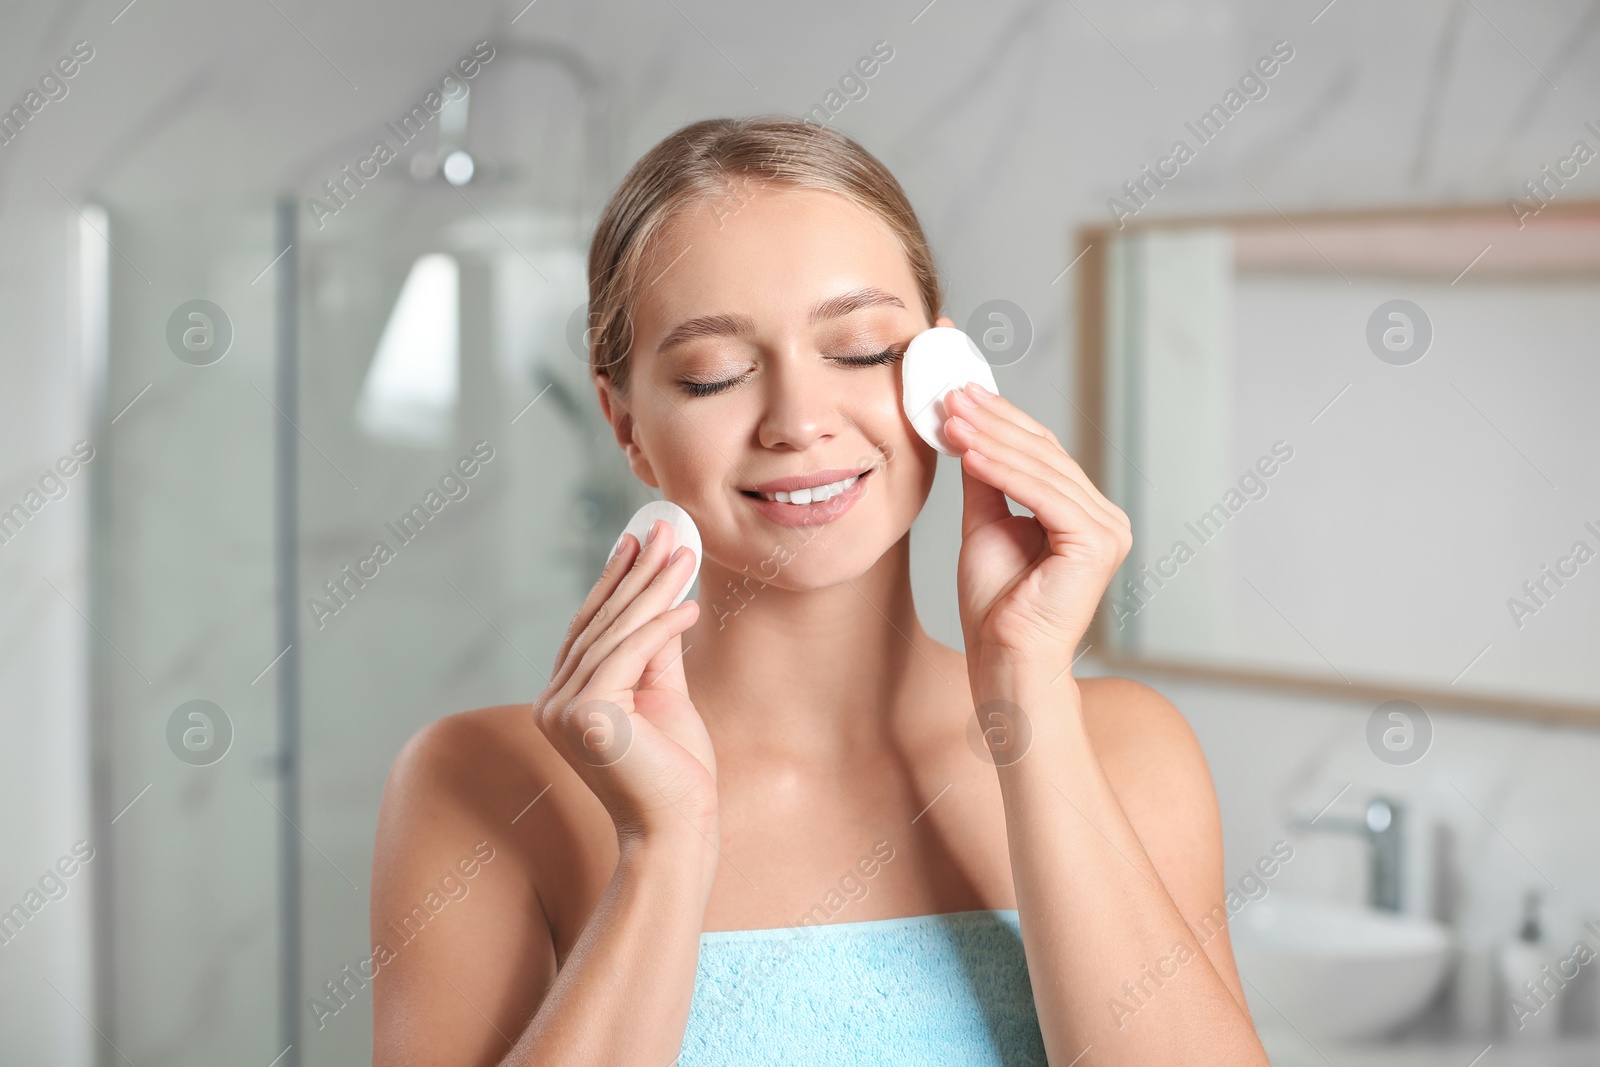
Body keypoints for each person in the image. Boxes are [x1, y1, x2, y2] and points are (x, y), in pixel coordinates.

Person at [369, 115, 1270, 1066]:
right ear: (625, 423)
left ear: (948, 372)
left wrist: (1028, 700)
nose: (798, 422)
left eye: (862, 351)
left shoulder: (1129, 751)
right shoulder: (479, 784)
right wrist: (662, 849)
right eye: (716, 375)